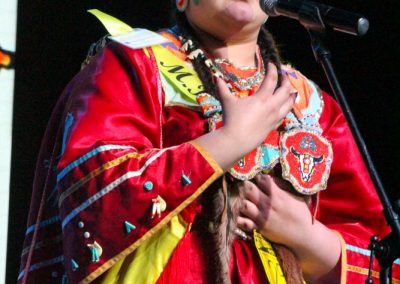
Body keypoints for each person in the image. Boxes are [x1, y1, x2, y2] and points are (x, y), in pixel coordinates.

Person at [18, 0, 399, 283]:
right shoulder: (134, 63)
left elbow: (381, 258)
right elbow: (92, 200)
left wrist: (306, 236)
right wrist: (228, 142)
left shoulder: (311, 104)